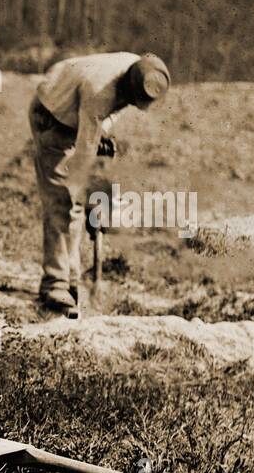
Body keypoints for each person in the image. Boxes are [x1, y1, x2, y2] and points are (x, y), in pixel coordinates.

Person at [29, 52, 169, 311]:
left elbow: (105, 120)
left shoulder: (141, 69)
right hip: (52, 115)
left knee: (78, 206)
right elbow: (83, 164)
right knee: (63, 200)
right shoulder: (99, 92)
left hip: (80, 115)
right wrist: (97, 197)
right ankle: (55, 285)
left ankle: (71, 278)